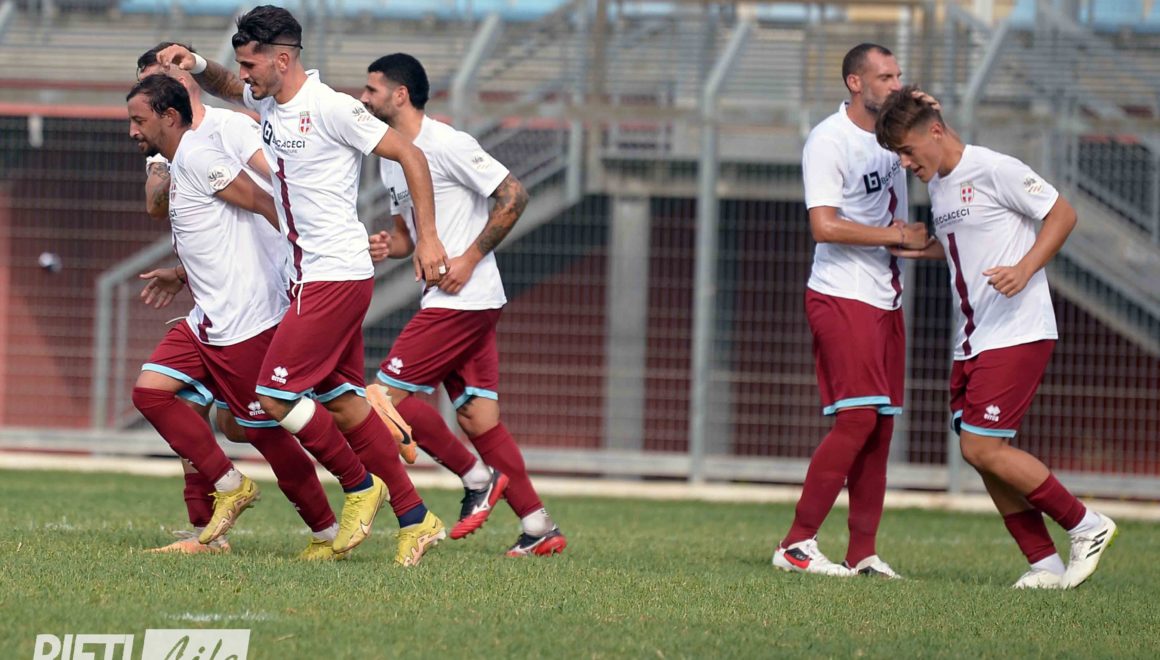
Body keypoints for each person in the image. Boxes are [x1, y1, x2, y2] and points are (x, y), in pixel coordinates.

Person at [156, 5, 446, 565]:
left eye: (251, 65)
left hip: (334, 274)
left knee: (274, 395)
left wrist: (428, 238)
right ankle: (417, 519)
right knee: (343, 403)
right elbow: (228, 86)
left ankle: (359, 488)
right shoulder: (268, 99)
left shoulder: (331, 107)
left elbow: (409, 153)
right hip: (307, 276)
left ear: (283, 60)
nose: (244, 76)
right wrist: (197, 63)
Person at [132, 43, 388, 555]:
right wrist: (181, 272)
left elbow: (278, 194)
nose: (134, 125)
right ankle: (217, 513)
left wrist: (312, 257)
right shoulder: (174, 151)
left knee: (262, 424)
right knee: (158, 394)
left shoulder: (229, 130)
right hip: (210, 313)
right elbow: (174, 214)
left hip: (251, 309)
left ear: (178, 92)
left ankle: (340, 514)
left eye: (160, 79)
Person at [874, 86, 1117, 589]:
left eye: (907, 151)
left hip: (1017, 330)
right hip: (973, 336)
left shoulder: (994, 168)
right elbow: (973, 244)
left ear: (935, 132)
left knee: (982, 447)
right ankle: (1044, 564)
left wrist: (1025, 269)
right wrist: (928, 249)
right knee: (981, 451)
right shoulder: (940, 184)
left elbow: (1063, 214)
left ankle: (1085, 524)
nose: (904, 163)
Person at [359, 53, 567, 557]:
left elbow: (514, 195)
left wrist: (469, 259)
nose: (363, 99)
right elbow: (410, 234)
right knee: (478, 419)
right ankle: (538, 526)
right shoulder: (390, 157)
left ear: (400, 95)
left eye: (371, 90)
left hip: (464, 299)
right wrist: (392, 245)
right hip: (457, 300)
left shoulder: (448, 143)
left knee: (381, 399)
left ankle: (476, 478)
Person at [772, 43, 929, 579]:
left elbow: (939, 157)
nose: (895, 84)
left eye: (898, 75)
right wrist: (896, 236)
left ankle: (862, 552)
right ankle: (796, 543)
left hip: (886, 296)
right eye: (885, 77)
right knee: (857, 418)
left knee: (880, 429)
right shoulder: (829, 139)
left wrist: (932, 118)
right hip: (842, 294)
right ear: (855, 83)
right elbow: (824, 226)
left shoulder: (893, 138)